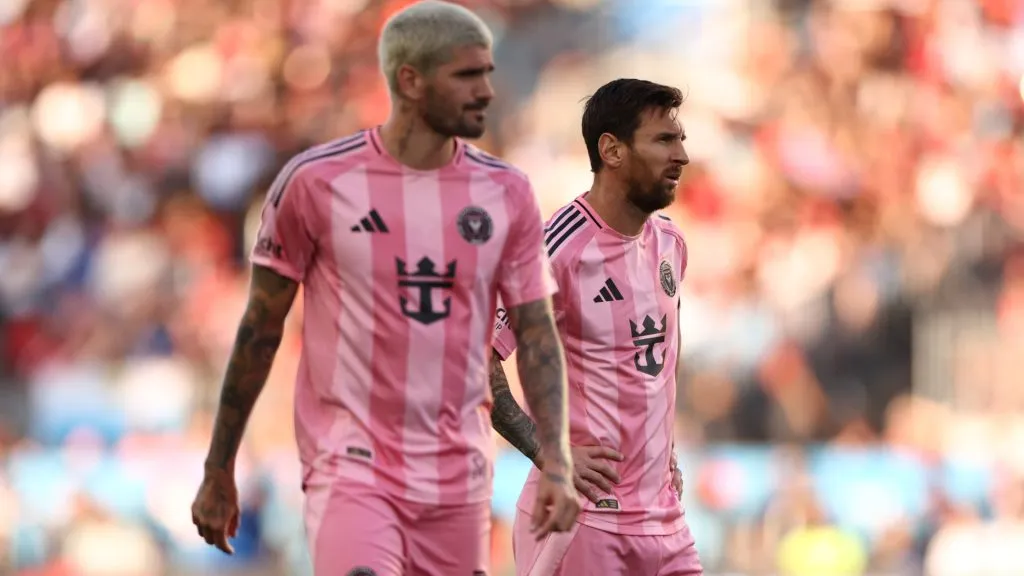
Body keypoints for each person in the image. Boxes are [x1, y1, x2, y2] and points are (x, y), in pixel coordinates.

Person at [190, 2, 580, 574]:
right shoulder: (315, 184)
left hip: (459, 474)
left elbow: (533, 338)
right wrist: (220, 464)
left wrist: (553, 458)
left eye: (486, 75)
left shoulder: (507, 193)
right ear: (410, 81)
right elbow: (259, 328)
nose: (486, 93)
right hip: (352, 466)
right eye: (465, 76)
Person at [489, 78, 703, 575]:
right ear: (612, 150)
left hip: (664, 521)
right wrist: (546, 451)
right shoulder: (554, 249)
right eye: (664, 140)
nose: (682, 156)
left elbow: (660, 353)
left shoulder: (671, 243)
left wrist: (663, 448)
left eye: (681, 140)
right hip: (583, 519)